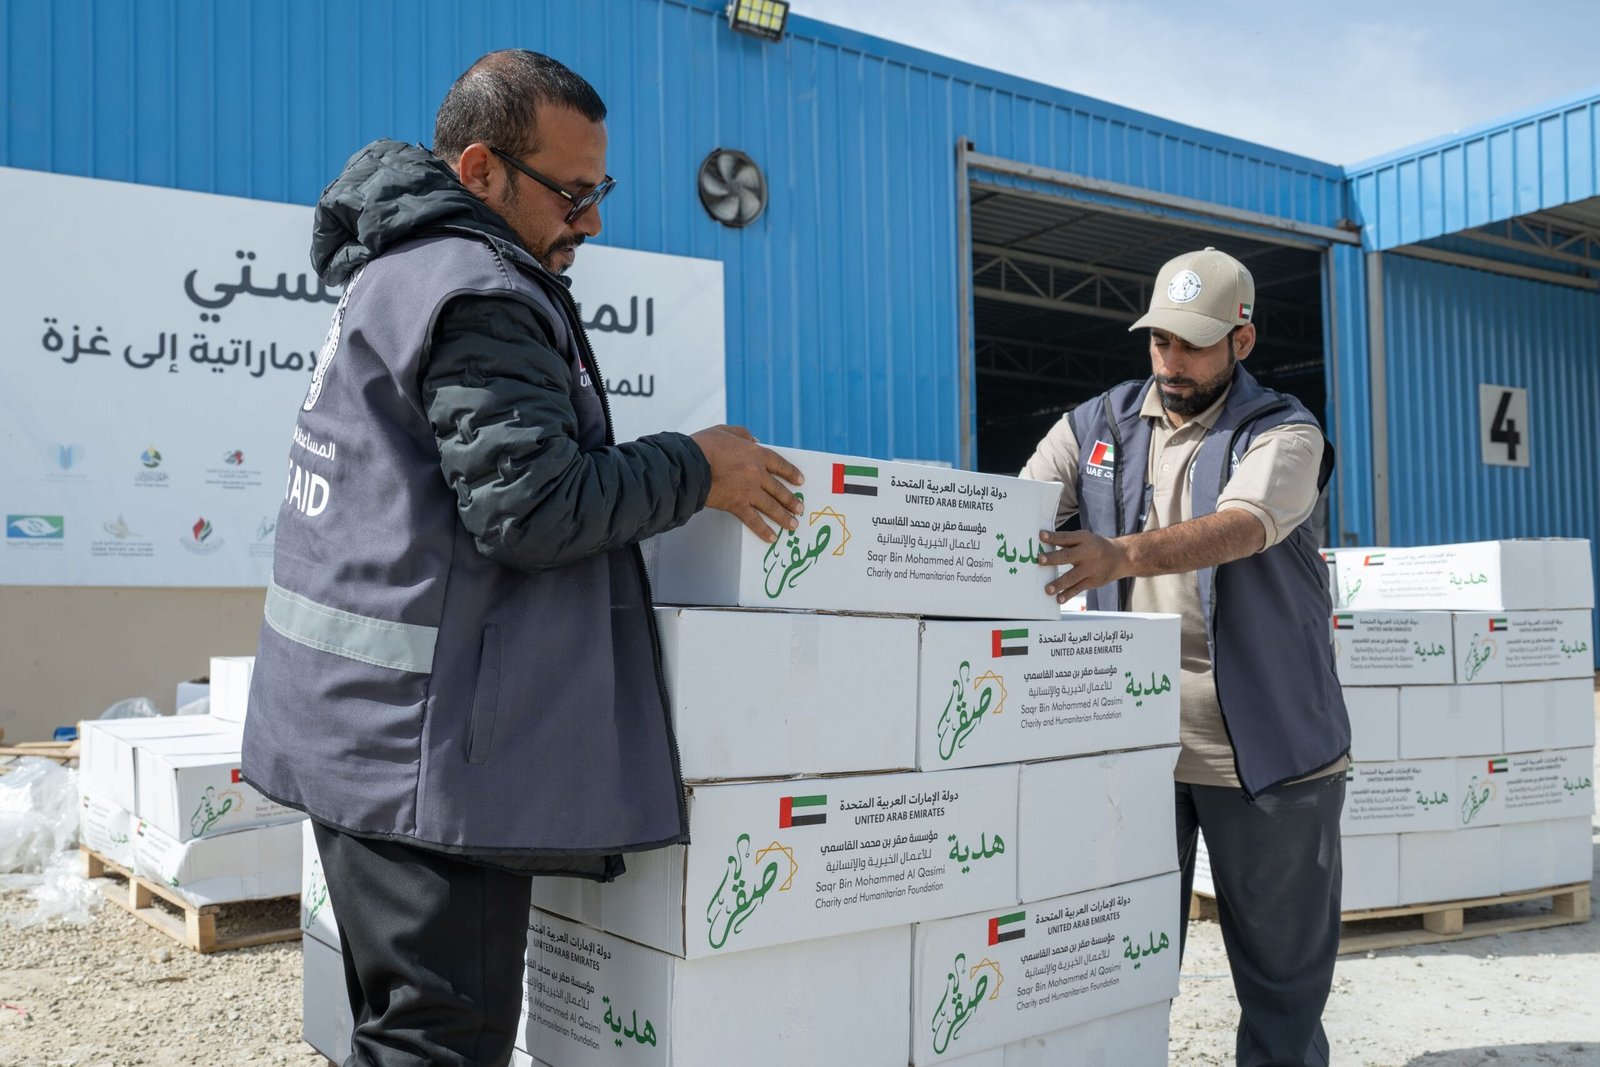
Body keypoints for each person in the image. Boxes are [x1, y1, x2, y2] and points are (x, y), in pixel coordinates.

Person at [240, 50, 803, 1067]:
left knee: (400, 1026)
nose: (589, 221)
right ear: (479, 171)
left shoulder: (399, 271)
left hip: (361, 729)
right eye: (572, 193)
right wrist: (697, 467)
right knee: (438, 1039)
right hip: (427, 754)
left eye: (601, 190)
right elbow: (532, 506)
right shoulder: (479, 289)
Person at [1021, 247, 1349, 1067]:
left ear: (1242, 340)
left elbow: (1242, 527)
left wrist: (1120, 554)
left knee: (1280, 986)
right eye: (1160, 339)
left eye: (1194, 342)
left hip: (1268, 754)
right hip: (1134, 752)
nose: (1172, 360)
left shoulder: (1284, 431)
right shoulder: (1096, 425)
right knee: (1123, 966)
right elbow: (1017, 513)